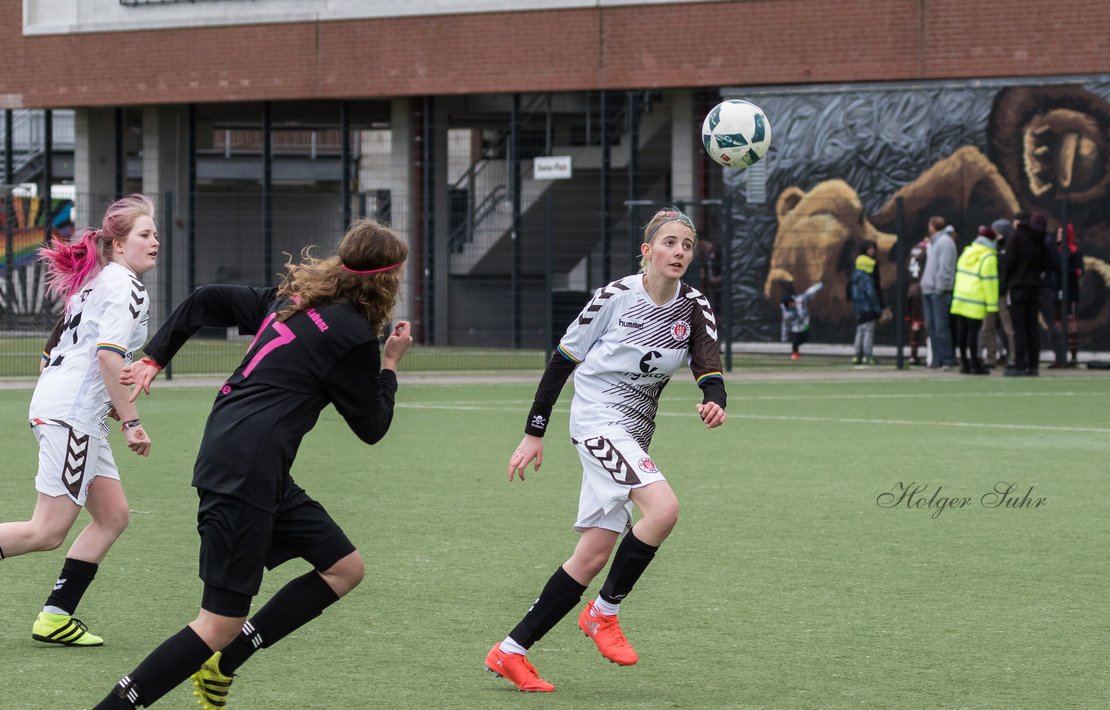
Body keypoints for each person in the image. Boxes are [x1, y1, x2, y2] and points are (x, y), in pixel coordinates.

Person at [92, 219, 412, 710]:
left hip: (247, 461)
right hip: (247, 472)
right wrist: (390, 364)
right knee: (217, 623)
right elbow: (373, 427)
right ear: (387, 279)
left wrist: (156, 356)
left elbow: (203, 300)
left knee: (344, 568)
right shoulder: (352, 337)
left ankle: (224, 663)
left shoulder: (293, 297)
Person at [484, 208, 726, 694]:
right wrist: (534, 431)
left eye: (687, 245)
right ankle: (603, 613)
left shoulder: (694, 304)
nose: (679, 252)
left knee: (592, 555)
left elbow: (707, 361)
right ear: (647, 251)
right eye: (670, 243)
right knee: (664, 509)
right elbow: (563, 360)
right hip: (597, 421)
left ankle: (510, 651)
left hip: (634, 431)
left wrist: (714, 398)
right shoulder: (614, 298)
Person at [0, 194, 157, 647]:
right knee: (46, 531)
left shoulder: (96, 283)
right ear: (118, 245)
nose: (155, 242)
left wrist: (101, 404)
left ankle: (55, 616)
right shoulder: (123, 284)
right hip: (72, 417)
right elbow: (107, 356)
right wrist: (129, 420)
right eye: (145, 235)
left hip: (71, 411)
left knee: (112, 516)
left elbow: (57, 354)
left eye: (155, 235)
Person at [1002, 212, 1049, 376]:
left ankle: (1020, 365)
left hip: (1018, 286)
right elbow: (1044, 263)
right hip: (1034, 286)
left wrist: (1007, 281)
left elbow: (1009, 261)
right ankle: (1033, 365)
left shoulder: (1016, 237)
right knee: (1032, 328)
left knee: (1019, 327)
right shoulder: (1041, 240)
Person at [950, 226, 999, 375]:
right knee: (973, 333)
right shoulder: (988, 257)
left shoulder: (967, 252)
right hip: (976, 300)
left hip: (960, 297)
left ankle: (964, 363)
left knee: (963, 332)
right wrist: (992, 307)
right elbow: (990, 282)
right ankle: (975, 364)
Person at [1045, 223, 1085, 367]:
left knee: (1070, 324)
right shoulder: (1053, 249)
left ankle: (1073, 356)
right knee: (1056, 323)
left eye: (1063, 233)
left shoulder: (1075, 251)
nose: (1060, 235)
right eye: (1059, 232)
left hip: (1070, 292)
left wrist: (1066, 271)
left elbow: (1079, 271)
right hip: (1054, 290)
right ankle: (1058, 356)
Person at [920, 217, 957, 370]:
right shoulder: (934, 242)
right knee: (932, 327)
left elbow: (945, 268)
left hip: (938, 291)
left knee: (941, 326)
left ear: (933, 226)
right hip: (929, 288)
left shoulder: (945, 243)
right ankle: (936, 359)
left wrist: (940, 287)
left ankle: (947, 359)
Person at [985, 218, 1016, 370]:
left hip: (1003, 293)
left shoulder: (1010, 248)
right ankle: (991, 358)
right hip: (991, 293)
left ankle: (1013, 357)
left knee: (1008, 327)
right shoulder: (992, 248)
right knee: (987, 327)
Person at [848, 243, 881, 365]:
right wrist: (878, 308)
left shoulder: (854, 274)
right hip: (868, 307)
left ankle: (857, 354)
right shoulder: (868, 277)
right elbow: (872, 292)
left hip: (858, 306)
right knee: (868, 331)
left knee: (860, 330)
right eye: (870, 248)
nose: (873, 251)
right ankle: (868, 355)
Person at [781, 280, 823, 360]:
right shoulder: (786, 312)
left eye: (790, 304)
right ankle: (795, 352)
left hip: (805, 324)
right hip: (795, 326)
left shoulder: (800, 300)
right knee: (796, 339)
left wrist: (818, 286)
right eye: (788, 305)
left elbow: (809, 292)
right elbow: (785, 323)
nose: (790, 306)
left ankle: (796, 348)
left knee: (805, 339)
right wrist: (784, 336)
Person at [905, 234, 928, 365]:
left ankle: (913, 354)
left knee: (915, 323)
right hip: (923, 288)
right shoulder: (929, 250)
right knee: (927, 322)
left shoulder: (914, 249)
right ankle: (932, 354)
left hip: (912, 287)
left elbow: (907, 267)